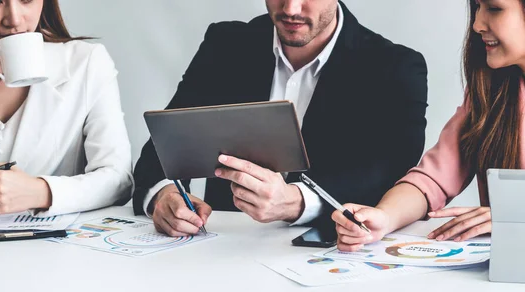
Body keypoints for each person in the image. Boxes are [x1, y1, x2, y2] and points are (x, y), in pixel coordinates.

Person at [133, 0, 428, 236]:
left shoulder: (395, 67)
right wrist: (164, 196)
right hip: (222, 251)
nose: (291, 9)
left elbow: (393, 175)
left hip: (335, 256)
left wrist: (298, 203)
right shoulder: (225, 44)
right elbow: (164, 146)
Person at [333, 0, 525, 251]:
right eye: (477, 7)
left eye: (494, 8)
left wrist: (515, 217)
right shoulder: (492, 92)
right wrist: (384, 217)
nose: (477, 24)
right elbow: (432, 180)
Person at [0, 0, 133, 216]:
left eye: (26, 0)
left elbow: (118, 178)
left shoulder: (86, 64)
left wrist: (40, 192)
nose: (14, 19)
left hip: (51, 245)